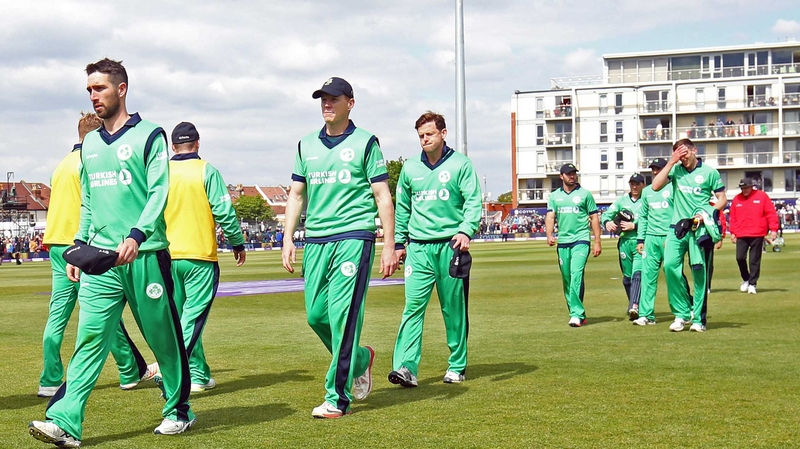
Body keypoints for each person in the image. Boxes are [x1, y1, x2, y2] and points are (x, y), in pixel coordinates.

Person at [29, 58, 195, 449]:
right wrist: (78, 247)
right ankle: (65, 421)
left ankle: (178, 410)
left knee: (163, 339)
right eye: (89, 89)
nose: (93, 96)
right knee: (89, 338)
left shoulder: (151, 134)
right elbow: (88, 200)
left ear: (121, 89)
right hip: (100, 261)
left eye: (100, 88)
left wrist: (138, 235)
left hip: (146, 256)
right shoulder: (89, 144)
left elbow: (159, 191)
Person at [282, 77, 398, 419]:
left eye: (334, 98)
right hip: (316, 240)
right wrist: (288, 238)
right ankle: (360, 359)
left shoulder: (366, 143)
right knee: (316, 315)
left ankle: (337, 396)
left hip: (354, 237)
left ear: (351, 102)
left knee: (343, 317)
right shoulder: (305, 145)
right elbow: (297, 195)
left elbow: (382, 196)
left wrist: (389, 244)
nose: (327, 104)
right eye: (323, 99)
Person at [38, 113, 158, 399]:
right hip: (83, 245)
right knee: (104, 313)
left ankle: (49, 378)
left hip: (56, 243)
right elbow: (94, 203)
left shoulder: (59, 167)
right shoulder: (93, 158)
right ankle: (130, 370)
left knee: (58, 315)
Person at [388, 111, 482, 388]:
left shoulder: (461, 165)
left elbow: (473, 201)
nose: (424, 139)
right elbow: (403, 208)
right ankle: (406, 367)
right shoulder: (409, 168)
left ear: (443, 133)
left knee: (452, 309)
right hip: (418, 249)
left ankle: (456, 365)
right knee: (412, 308)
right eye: (420, 136)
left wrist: (466, 230)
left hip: (451, 247)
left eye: (429, 134)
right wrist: (398, 244)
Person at [164, 121, 246, 392]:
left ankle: (198, 374)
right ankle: (173, 372)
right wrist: (237, 242)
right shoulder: (206, 170)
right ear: (198, 143)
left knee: (178, 318)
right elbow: (224, 212)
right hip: (199, 254)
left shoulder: (160, 172)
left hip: (166, 255)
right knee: (192, 318)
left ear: (172, 147)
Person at [651, 139, 726, 333]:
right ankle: (681, 313)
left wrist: (705, 215)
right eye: (679, 154)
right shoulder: (675, 170)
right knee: (669, 267)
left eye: (685, 153)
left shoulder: (709, 172)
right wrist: (671, 161)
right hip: (677, 228)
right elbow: (655, 186)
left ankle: (698, 319)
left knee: (699, 273)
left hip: (699, 230)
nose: (683, 158)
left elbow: (722, 199)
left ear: (694, 150)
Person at [545, 164, 602, 327]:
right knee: (567, 278)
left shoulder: (585, 195)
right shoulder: (555, 196)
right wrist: (549, 235)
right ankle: (578, 312)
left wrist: (597, 241)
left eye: (574, 173)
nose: (572, 176)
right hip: (563, 241)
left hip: (581, 239)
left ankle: (576, 314)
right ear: (561, 176)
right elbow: (550, 216)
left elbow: (594, 218)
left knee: (576, 274)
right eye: (568, 174)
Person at [634, 158, 674, 326]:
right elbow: (643, 217)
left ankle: (684, 310)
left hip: (669, 237)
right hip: (650, 238)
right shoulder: (647, 191)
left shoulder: (674, 187)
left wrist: (672, 235)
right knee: (648, 277)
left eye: (659, 169)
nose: (656, 172)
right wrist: (640, 239)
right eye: (654, 169)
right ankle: (646, 314)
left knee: (674, 275)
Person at [601, 173, 646, 320]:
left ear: (643, 185)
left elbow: (653, 219)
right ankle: (633, 302)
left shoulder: (647, 200)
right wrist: (607, 222)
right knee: (627, 278)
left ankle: (635, 305)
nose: (634, 186)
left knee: (637, 275)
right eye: (632, 183)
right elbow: (606, 215)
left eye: (637, 183)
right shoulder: (621, 201)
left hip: (640, 242)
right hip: (624, 243)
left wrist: (635, 225)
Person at [729, 177, 779, 294]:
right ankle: (746, 278)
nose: (744, 190)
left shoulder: (762, 196)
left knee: (754, 260)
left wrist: (773, 229)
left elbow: (770, 213)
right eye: (742, 188)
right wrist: (732, 232)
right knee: (740, 258)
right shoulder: (737, 199)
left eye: (746, 187)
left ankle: (752, 284)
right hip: (741, 233)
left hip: (757, 232)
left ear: (752, 187)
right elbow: (733, 217)